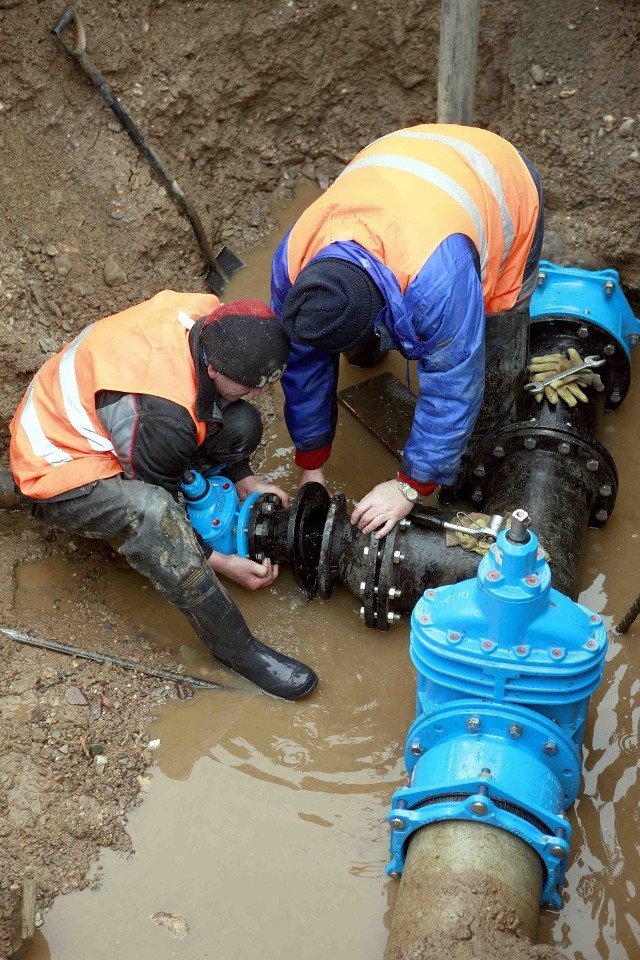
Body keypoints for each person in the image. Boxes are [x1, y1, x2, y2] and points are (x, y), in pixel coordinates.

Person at [9, 291, 318, 700]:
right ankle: (235, 648)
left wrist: (244, 478)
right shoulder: (164, 415)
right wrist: (223, 562)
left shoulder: (213, 315)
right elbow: (163, 506)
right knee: (153, 515)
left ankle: (194, 475)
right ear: (212, 365)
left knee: (242, 422)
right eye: (250, 384)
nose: (259, 392)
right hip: (55, 465)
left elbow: (217, 414)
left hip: (103, 417)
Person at [271, 123, 544, 539]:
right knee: (339, 338)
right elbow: (302, 363)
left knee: (490, 354)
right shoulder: (294, 261)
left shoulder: (439, 282)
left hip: (502, 183)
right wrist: (311, 462)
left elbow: (453, 383)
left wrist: (410, 485)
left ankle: (486, 452)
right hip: (405, 168)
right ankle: (366, 353)